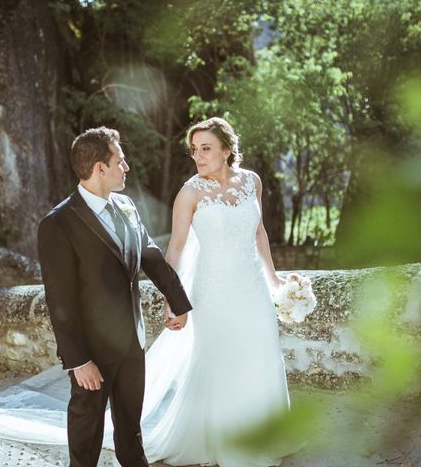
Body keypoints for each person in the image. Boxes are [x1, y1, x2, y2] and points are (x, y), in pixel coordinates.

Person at [103, 117, 291, 467]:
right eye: (194, 150)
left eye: (206, 148)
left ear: (227, 149)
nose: (198, 156)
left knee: (260, 356)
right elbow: (174, 247)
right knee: (221, 362)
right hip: (212, 292)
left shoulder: (252, 182)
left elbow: (260, 232)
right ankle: (227, 443)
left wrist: (274, 280)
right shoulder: (190, 191)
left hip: (252, 289)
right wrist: (171, 299)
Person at [38, 127, 193, 467]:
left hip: (132, 343)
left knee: (130, 429)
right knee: (87, 431)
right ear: (99, 168)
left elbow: (150, 255)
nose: (127, 167)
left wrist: (178, 301)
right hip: (92, 352)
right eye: (120, 161)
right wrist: (78, 361)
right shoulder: (58, 224)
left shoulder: (125, 205)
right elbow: (59, 301)